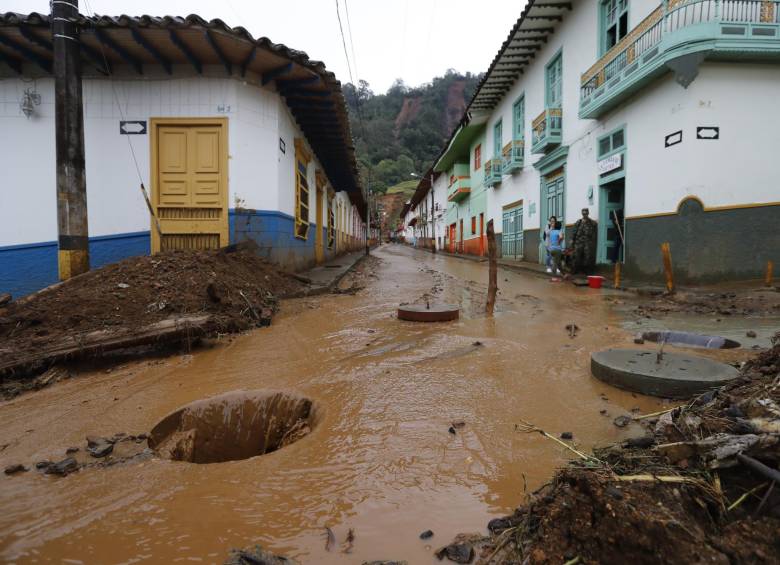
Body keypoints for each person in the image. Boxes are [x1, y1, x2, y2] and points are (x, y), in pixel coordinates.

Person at [571, 208, 597, 274]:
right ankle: (575, 270)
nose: (584, 214)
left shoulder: (592, 223)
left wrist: (592, 242)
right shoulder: (578, 222)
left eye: (586, 213)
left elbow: (594, 234)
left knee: (587, 258)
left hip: (587, 243)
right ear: (582, 214)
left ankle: (587, 271)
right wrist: (572, 239)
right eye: (583, 213)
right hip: (578, 242)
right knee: (576, 257)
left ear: (588, 213)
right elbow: (574, 231)